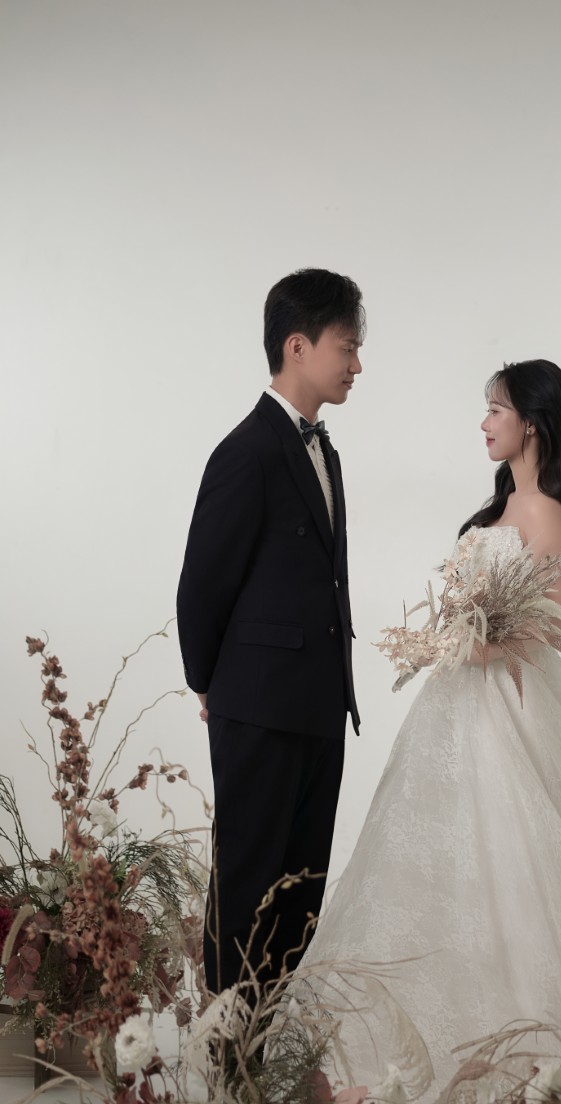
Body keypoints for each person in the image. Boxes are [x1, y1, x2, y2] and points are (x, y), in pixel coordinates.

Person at [296, 360, 561, 1104]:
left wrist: (485, 643)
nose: (484, 421)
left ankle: (540, 1075)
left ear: (531, 422)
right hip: (454, 709)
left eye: (495, 408)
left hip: (511, 708)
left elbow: (559, 615)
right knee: (435, 866)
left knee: (522, 860)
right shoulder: (496, 511)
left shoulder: (544, 510)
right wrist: (455, 637)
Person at [177, 267, 364, 996]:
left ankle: (266, 1054)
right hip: (258, 709)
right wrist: (208, 684)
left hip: (317, 709)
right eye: (347, 347)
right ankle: (225, 1055)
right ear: (298, 346)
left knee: (298, 902)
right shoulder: (246, 451)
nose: (357, 364)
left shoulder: (324, 450)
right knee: (246, 895)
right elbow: (202, 585)